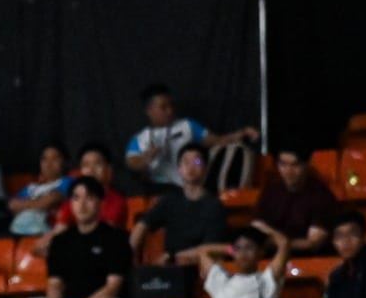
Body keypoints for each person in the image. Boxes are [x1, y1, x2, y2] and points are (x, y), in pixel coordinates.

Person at [126, 86, 256, 192]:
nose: (169, 110)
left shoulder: (187, 126)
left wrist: (242, 133)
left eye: (171, 105)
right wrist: (146, 159)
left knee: (231, 151)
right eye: (163, 107)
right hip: (159, 189)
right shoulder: (139, 139)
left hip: (189, 186)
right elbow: (132, 164)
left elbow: (218, 141)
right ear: (149, 110)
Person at [130, 144, 229, 264]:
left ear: (206, 169)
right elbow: (143, 224)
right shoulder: (170, 200)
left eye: (197, 162)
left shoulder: (215, 206)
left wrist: (172, 258)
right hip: (171, 267)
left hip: (198, 268)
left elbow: (209, 250)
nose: (191, 167)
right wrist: (129, 256)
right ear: (179, 169)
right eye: (185, 162)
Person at [44, 178, 130, 298]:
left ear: (101, 203)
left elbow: (113, 286)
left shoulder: (116, 238)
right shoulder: (60, 241)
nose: (82, 205)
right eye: (76, 198)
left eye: (89, 198)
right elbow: (55, 283)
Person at [257, 149, 337, 256]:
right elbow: (257, 225)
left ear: (306, 165)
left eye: (295, 165)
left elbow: (313, 243)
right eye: (283, 164)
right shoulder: (271, 190)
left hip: (309, 259)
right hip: (273, 257)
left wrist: (279, 242)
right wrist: (278, 239)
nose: (288, 171)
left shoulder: (321, 195)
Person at [9, 144, 73, 237]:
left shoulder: (68, 181)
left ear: (64, 162)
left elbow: (52, 199)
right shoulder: (31, 188)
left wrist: (25, 205)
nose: (49, 163)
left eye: (55, 159)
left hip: (49, 234)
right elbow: (12, 205)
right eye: (44, 159)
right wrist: (40, 203)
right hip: (19, 232)